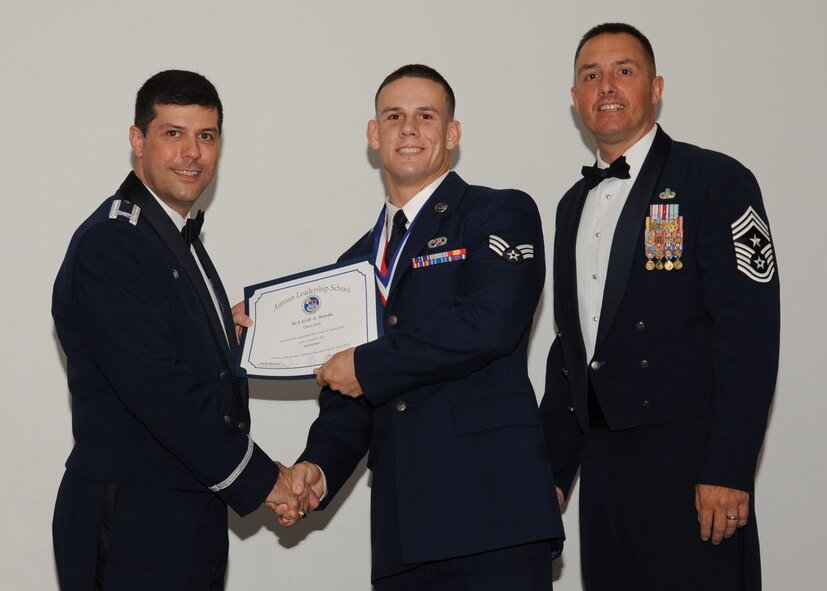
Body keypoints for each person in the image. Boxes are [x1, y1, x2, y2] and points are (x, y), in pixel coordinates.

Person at [287, 64, 564, 589]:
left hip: (494, 513)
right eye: (394, 116)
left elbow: (491, 323)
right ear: (374, 136)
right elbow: (348, 398)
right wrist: (315, 470)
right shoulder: (351, 267)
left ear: (452, 134)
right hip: (404, 529)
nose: (409, 128)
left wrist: (366, 365)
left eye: (426, 115)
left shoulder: (498, 212)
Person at [51, 69, 320, 591]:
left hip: (186, 507)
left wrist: (231, 339)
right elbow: (159, 387)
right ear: (137, 140)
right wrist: (268, 482)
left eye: (206, 136)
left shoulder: (173, 237)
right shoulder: (115, 241)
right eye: (173, 133)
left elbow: (170, 352)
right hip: (133, 514)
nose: (191, 153)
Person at [539, 23, 780, 591]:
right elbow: (573, 352)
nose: (607, 87)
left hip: (692, 468)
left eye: (624, 71)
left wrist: (728, 468)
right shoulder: (570, 206)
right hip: (603, 473)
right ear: (575, 99)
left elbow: (749, 335)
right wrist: (551, 472)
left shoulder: (716, 180)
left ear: (656, 87)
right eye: (590, 76)